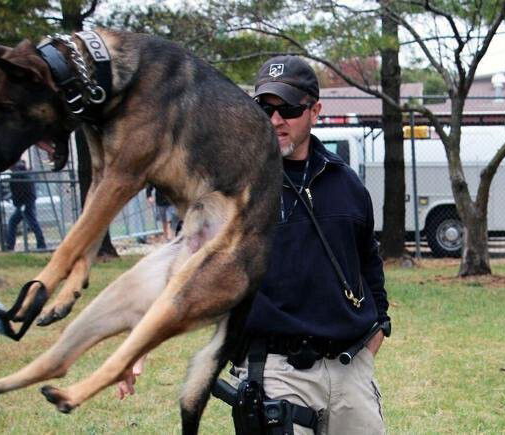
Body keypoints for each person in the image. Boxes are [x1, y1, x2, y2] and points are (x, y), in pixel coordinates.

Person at [118, 56, 390, 434]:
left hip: (349, 375)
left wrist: (376, 332)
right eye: (265, 108)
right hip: (277, 372)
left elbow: (368, 266)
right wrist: (138, 347)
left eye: (289, 109)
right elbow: (181, 267)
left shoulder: (346, 184)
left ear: (315, 111)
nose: (275, 120)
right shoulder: (231, 187)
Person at [5, 160, 46, 251]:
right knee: (15, 222)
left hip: (24, 203)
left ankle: (41, 245)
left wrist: (17, 201)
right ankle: (10, 245)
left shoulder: (17, 174)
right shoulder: (23, 172)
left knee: (32, 223)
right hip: (26, 202)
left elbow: (18, 190)